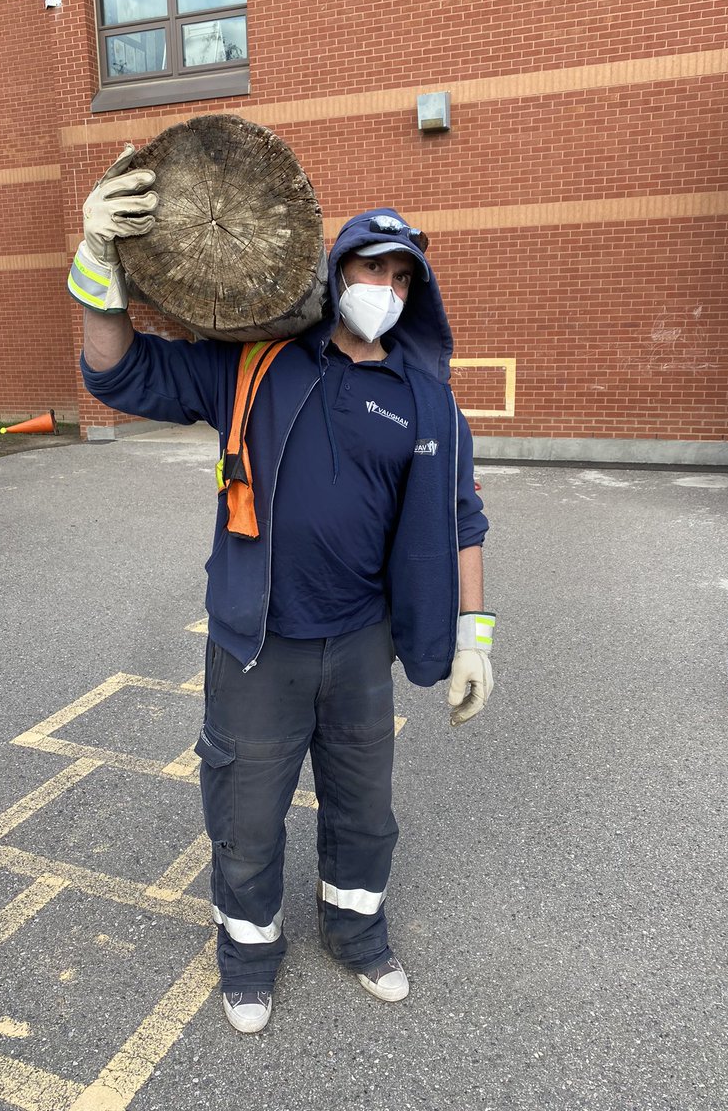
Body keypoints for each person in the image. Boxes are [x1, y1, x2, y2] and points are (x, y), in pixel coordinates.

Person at [69, 146, 496, 1034]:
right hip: (257, 644)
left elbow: (463, 520)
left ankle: (357, 933)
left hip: (359, 647)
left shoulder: (425, 400)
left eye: (399, 276)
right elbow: (118, 371)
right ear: (333, 273)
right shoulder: (254, 364)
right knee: (247, 813)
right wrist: (97, 265)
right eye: (367, 267)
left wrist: (475, 637)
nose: (382, 286)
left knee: (364, 813)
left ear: (414, 294)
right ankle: (248, 955)